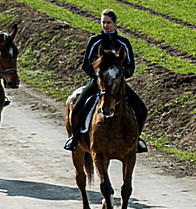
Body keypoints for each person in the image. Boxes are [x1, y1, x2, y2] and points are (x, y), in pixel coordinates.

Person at [64, 9, 149, 152]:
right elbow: (86, 64)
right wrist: (99, 77)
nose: (105, 25)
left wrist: (121, 76)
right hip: (97, 82)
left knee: (142, 109)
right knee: (78, 107)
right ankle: (75, 137)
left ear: (115, 23)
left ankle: (136, 139)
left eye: (108, 22)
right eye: (103, 22)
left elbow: (130, 65)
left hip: (116, 83)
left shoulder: (124, 42)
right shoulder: (94, 41)